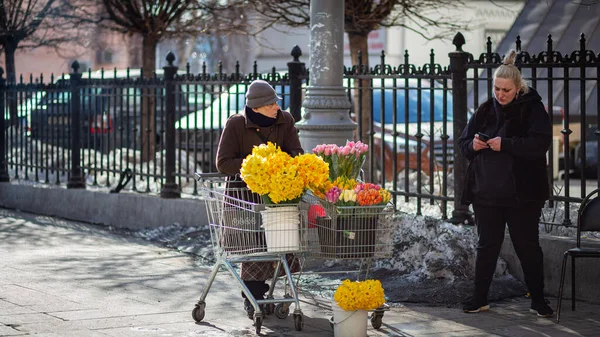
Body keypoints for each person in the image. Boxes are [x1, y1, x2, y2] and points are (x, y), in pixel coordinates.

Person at [458, 50, 554, 317]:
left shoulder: (532, 108)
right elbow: (463, 144)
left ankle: (538, 300)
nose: (501, 95)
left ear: (518, 87)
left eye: (506, 90)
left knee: (527, 246)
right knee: (487, 245)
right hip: (486, 192)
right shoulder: (486, 109)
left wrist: (507, 144)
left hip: (522, 194)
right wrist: (473, 145)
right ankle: (479, 299)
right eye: (497, 89)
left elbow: (540, 144)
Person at [215, 79, 303, 319]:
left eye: (276, 102)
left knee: (278, 244)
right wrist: (255, 168)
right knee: (253, 247)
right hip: (245, 196)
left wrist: (280, 167)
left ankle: (264, 294)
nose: (276, 106)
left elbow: (297, 153)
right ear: (256, 107)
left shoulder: (286, 120)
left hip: (278, 196)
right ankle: (253, 297)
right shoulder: (235, 124)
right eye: (271, 103)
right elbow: (223, 163)